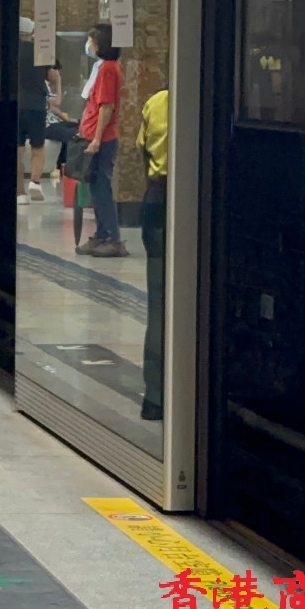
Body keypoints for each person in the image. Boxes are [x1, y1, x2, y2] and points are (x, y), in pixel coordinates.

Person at [76, 23, 127, 258]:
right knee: (96, 189)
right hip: (93, 135)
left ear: (100, 43)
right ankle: (101, 233)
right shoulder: (104, 67)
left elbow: (106, 107)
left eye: (91, 40)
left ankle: (113, 239)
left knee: (102, 189)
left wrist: (96, 139)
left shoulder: (107, 69)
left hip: (102, 139)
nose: (89, 44)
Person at [138, 85, 169, 419]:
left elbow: (143, 150)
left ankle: (155, 396)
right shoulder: (208, 107)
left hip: (156, 200)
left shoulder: (156, 101)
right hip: (189, 202)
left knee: (158, 301)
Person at [16, 16, 56, 205]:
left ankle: (20, 193)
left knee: (17, 150)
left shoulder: (7, 49)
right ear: (31, 32)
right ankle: (35, 182)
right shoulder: (41, 50)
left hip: (15, 105)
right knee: (38, 147)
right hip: (36, 106)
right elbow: (52, 77)